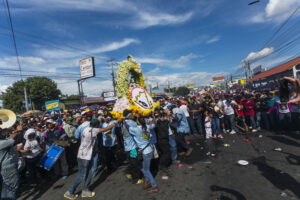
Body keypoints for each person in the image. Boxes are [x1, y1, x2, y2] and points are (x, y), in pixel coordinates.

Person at [64, 118, 121, 199]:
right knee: (82, 175)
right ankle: (70, 191)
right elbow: (106, 129)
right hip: (85, 156)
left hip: (81, 154)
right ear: (96, 125)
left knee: (87, 172)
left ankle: (85, 190)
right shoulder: (93, 130)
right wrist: (116, 122)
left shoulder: (86, 128)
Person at [123, 109, 158, 194]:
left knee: (140, 166)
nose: (133, 115)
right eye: (132, 114)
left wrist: (122, 120)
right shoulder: (147, 126)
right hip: (144, 149)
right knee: (138, 164)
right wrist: (152, 116)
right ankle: (147, 181)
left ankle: (153, 185)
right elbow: (154, 124)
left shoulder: (134, 128)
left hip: (134, 149)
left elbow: (128, 127)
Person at [0, 129, 19, 200]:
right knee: (12, 188)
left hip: (3, 168)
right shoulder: (2, 143)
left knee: (6, 188)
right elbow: (16, 140)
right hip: (8, 168)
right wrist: (18, 131)